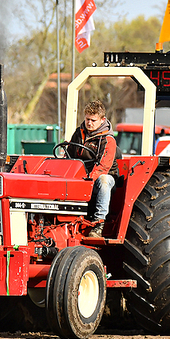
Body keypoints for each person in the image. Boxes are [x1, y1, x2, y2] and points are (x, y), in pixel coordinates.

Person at [69, 100, 118, 238]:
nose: (89, 123)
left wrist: (88, 180)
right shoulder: (79, 134)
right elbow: (69, 155)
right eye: (87, 119)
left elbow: (103, 167)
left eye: (93, 120)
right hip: (82, 175)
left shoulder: (108, 140)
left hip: (102, 178)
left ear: (102, 120)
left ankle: (98, 223)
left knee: (104, 180)